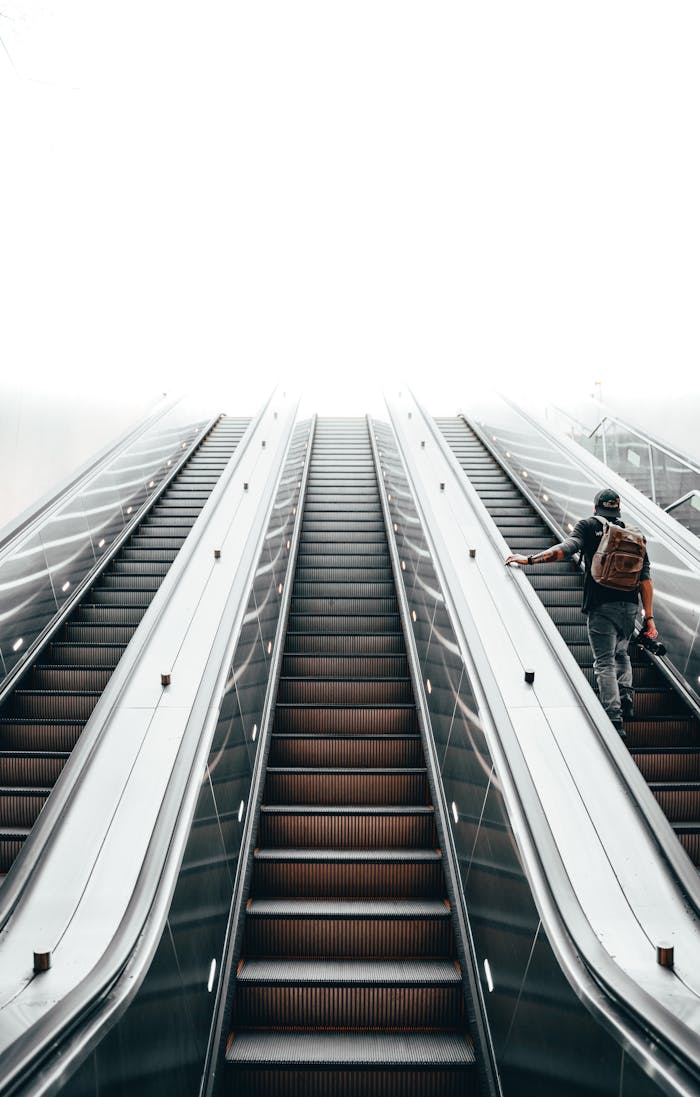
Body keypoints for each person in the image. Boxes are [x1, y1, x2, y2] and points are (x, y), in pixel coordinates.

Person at [505, 487, 657, 738]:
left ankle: (614, 717)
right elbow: (646, 579)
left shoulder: (588, 526)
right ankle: (626, 695)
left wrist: (530, 559)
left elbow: (565, 549)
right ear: (617, 509)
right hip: (629, 607)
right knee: (621, 653)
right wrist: (648, 618)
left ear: (596, 508)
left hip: (601, 604)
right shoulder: (634, 535)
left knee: (604, 661)